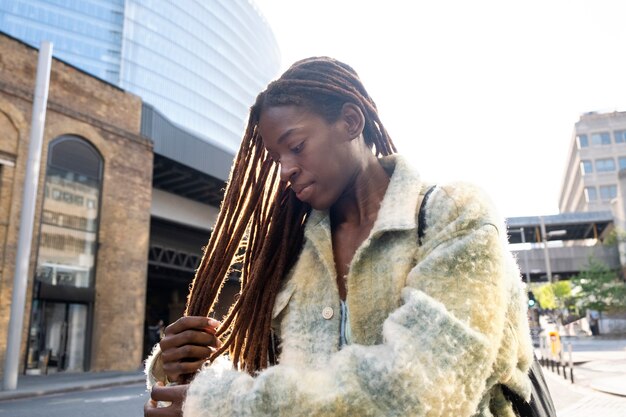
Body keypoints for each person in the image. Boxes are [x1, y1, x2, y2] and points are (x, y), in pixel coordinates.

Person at [144, 57, 534, 416]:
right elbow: (273, 379)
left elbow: (424, 389)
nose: (286, 171)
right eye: (277, 158)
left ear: (351, 121)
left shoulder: (453, 212)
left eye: (296, 147)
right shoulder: (291, 252)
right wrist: (186, 367)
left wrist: (216, 407)